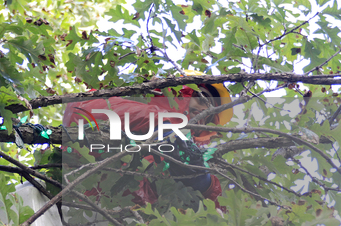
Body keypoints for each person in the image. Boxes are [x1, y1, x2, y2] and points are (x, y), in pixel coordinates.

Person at [62, 71, 232, 207]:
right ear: (182, 92)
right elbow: (81, 111)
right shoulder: (131, 102)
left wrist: (206, 185)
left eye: (210, 114)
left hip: (117, 225)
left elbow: (220, 217)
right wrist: (161, 124)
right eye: (203, 98)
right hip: (70, 195)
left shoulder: (192, 153)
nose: (205, 110)